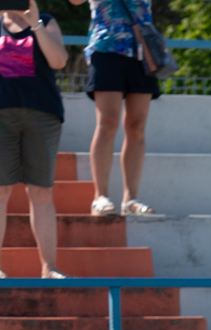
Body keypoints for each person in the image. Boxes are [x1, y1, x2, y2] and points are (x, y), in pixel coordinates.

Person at [0, 0, 69, 280]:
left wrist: (36, 25)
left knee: (41, 192)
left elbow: (58, 61)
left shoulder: (46, 21)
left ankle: (50, 268)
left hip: (42, 112)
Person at [68, 0, 161, 217]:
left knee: (137, 126)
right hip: (106, 48)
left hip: (142, 50)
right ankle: (100, 196)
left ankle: (131, 199)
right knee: (107, 122)